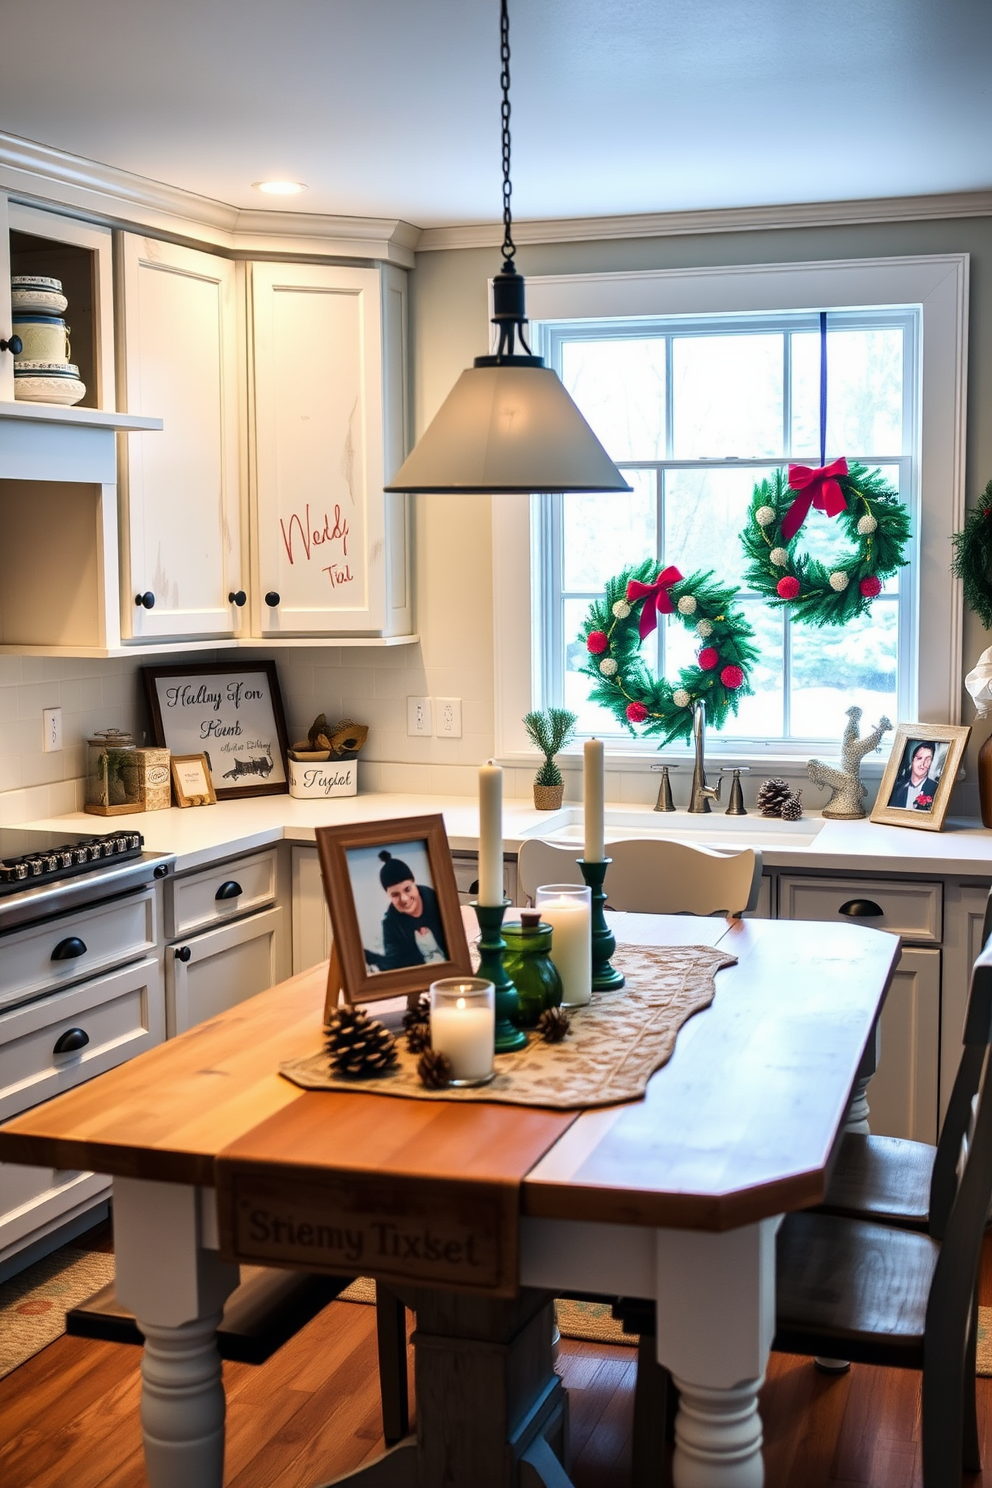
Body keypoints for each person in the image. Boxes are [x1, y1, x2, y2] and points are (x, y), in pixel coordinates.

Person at [367, 850, 449, 972]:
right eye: (395, 895)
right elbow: (395, 964)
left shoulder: (439, 900)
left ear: (414, 883)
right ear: (388, 896)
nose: (404, 899)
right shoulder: (391, 924)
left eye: (407, 889)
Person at [889, 740, 941, 811]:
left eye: (928, 759)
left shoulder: (936, 788)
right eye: (919, 758)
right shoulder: (898, 787)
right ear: (912, 760)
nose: (923, 763)